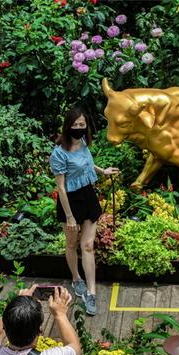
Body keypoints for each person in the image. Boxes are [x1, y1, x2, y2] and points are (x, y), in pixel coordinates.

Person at [49, 107, 119, 315]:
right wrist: (69, 216)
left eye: (82, 124)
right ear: (68, 126)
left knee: (87, 245)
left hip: (87, 196)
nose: (79, 128)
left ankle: (91, 292)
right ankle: (75, 278)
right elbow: (61, 187)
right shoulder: (59, 153)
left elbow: (88, 164)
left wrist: (102, 171)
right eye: (75, 125)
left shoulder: (84, 144)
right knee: (71, 243)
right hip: (70, 201)